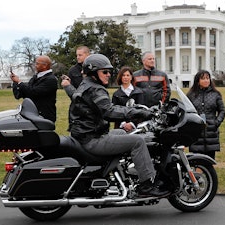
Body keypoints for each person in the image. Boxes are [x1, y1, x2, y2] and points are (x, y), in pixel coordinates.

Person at [61, 54, 168, 197]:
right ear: (93, 73)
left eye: (109, 72)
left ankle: (120, 175)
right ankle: (146, 185)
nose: (108, 74)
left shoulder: (86, 85)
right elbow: (109, 111)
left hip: (86, 134)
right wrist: (140, 113)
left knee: (123, 133)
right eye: (104, 72)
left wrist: (137, 110)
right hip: (93, 139)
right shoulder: (95, 89)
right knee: (138, 141)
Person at [186, 70, 225, 160]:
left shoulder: (216, 94)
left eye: (207, 78)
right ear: (198, 81)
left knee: (209, 160)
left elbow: (222, 110)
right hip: (196, 132)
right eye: (203, 78)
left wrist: (216, 123)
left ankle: (208, 173)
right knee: (197, 160)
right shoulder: (191, 95)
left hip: (211, 131)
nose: (206, 80)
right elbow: (186, 111)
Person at [10, 55, 58, 123]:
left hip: (44, 117)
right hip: (31, 114)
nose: (35, 65)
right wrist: (15, 82)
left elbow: (33, 92)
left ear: (45, 66)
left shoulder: (51, 79)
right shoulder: (35, 77)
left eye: (37, 63)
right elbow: (20, 94)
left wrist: (19, 82)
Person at [111, 66, 145, 131]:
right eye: (123, 75)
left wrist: (132, 124)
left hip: (136, 127)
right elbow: (115, 112)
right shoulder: (116, 95)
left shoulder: (138, 92)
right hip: (120, 128)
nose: (125, 77)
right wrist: (124, 124)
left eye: (127, 75)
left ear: (131, 77)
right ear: (120, 77)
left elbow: (141, 111)